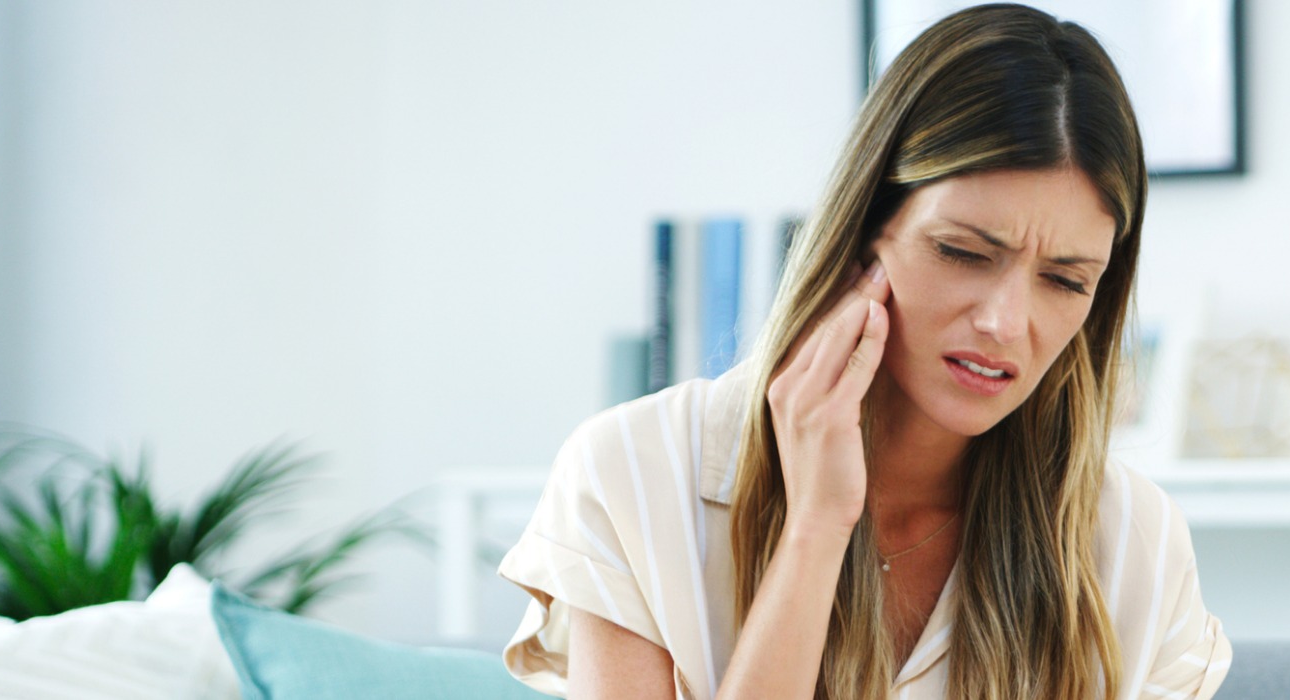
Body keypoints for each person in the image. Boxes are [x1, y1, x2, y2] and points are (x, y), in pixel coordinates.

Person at [496, 4, 1232, 698]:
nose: (1006, 323)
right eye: (962, 252)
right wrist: (815, 530)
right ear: (863, 232)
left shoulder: (1134, 543)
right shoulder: (635, 474)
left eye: (1066, 281)